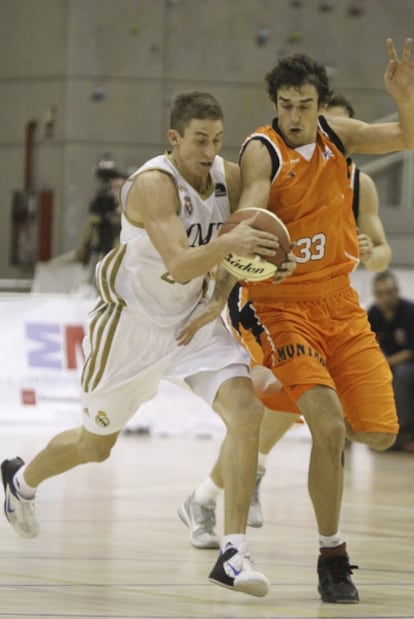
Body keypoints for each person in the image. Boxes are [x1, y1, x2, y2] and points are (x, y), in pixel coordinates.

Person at [1, 91, 295, 598]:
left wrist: (271, 260)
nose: (209, 151)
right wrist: (230, 245)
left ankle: (233, 552)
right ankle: (20, 482)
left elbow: (251, 243)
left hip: (196, 321)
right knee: (96, 447)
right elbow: (180, 263)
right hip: (131, 329)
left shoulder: (227, 175)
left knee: (247, 412)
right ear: (174, 139)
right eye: (199, 140)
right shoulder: (153, 185)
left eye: (217, 140)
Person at [177, 38, 414, 604]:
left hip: (339, 304)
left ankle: (283, 393)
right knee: (329, 427)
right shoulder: (264, 151)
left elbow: (406, 136)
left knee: (380, 434)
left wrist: (405, 98)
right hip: (279, 305)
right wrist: (221, 292)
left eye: (304, 105)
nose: (295, 115)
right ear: (275, 104)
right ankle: (333, 558)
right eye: (285, 104)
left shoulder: (341, 141)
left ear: (321, 104)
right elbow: (249, 219)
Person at [368, 270, 414, 450]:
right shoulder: (373, 314)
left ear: (396, 290)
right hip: (386, 363)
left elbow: (411, 351)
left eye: (388, 292)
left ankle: (402, 430)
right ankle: (373, 427)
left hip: (408, 364)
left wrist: (386, 363)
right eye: (380, 294)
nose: (385, 298)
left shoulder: (410, 312)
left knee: (402, 374)